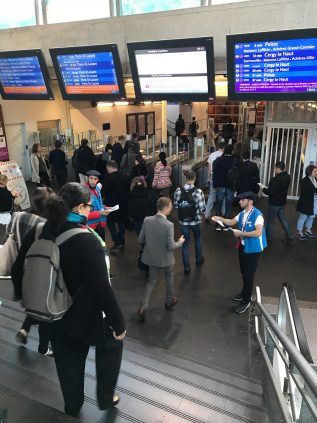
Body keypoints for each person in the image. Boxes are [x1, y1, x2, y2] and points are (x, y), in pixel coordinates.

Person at [11, 183, 126, 417]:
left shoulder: (39, 232)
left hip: (53, 316)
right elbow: (101, 287)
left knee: (68, 363)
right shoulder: (87, 240)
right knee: (112, 345)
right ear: (79, 207)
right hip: (89, 318)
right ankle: (106, 397)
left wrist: (30, 297)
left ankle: (73, 406)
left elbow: (16, 270)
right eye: (88, 207)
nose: (89, 211)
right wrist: (119, 323)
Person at [10, 187, 55, 355]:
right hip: (38, 268)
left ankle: (24, 329)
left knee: (35, 304)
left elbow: (10, 235)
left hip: (21, 268)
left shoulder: (18, 216)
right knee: (45, 311)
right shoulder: (43, 225)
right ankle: (43, 348)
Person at [214, 191, 267, 314]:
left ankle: (246, 300)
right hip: (243, 246)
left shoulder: (258, 215)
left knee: (249, 274)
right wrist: (219, 218)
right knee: (244, 271)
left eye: (242, 200)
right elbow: (232, 222)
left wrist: (241, 234)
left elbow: (258, 232)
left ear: (250, 201)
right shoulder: (243, 213)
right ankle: (244, 293)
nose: (239, 201)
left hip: (253, 249)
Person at [137, 197, 185, 322]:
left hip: (151, 257)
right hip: (166, 259)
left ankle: (144, 305)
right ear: (166, 208)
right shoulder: (169, 225)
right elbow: (170, 246)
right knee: (169, 278)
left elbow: (140, 239)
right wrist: (180, 242)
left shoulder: (147, 220)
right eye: (170, 206)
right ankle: (169, 301)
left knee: (151, 281)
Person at [174, 170, 206, 274]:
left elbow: (175, 206)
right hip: (195, 221)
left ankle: (187, 267)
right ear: (194, 179)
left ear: (186, 178)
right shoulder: (198, 191)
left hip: (183, 222)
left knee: (185, 244)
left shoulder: (178, 190)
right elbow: (202, 209)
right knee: (197, 239)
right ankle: (198, 259)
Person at [261, 161, 293, 243]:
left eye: (275, 167)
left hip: (274, 203)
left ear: (278, 168)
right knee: (283, 220)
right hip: (282, 202)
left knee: (269, 221)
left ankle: (269, 237)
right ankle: (290, 235)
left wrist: (263, 188)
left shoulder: (275, 179)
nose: (274, 169)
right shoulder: (288, 177)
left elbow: (270, 192)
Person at [102, 160, 130, 252]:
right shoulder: (125, 177)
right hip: (123, 204)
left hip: (111, 206)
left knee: (110, 222)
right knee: (121, 222)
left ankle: (116, 241)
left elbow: (103, 192)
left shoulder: (108, 179)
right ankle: (122, 241)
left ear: (109, 167)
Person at [213, 144, 235, 229]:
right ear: (232, 151)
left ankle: (218, 224)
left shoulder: (219, 160)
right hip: (230, 186)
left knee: (218, 205)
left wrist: (215, 184)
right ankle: (227, 224)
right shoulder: (234, 161)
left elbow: (215, 174)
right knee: (228, 206)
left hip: (220, 185)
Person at [85, 170, 110, 239]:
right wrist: (100, 213)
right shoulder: (84, 193)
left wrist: (105, 207)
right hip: (91, 228)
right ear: (88, 178)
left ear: (98, 180)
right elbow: (84, 215)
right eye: (91, 178)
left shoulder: (97, 189)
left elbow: (99, 203)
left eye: (95, 179)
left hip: (101, 224)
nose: (93, 181)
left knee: (102, 246)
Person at [205, 142, 225, 220]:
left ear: (218, 147)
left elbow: (209, 169)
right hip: (222, 179)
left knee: (211, 196)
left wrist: (208, 178)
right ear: (224, 148)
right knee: (222, 196)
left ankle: (207, 214)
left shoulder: (212, 155)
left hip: (214, 177)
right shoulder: (224, 156)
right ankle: (223, 213)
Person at [296, 165, 317, 240]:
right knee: (303, 217)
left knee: (311, 217)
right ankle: (299, 232)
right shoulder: (304, 180)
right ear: (309, 171)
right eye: (314, 171)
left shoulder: (315, 179)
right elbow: (306, 191)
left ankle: (308, 230)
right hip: (305, 203)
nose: (316, 173)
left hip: (313, 202)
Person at [0, 174, 15, 244]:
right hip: (6, 211)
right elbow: (9, 200)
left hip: (1, 211)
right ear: (3, 182)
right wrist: (14, 196)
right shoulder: (4, 191)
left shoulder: (4, 191)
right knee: (9, 226)